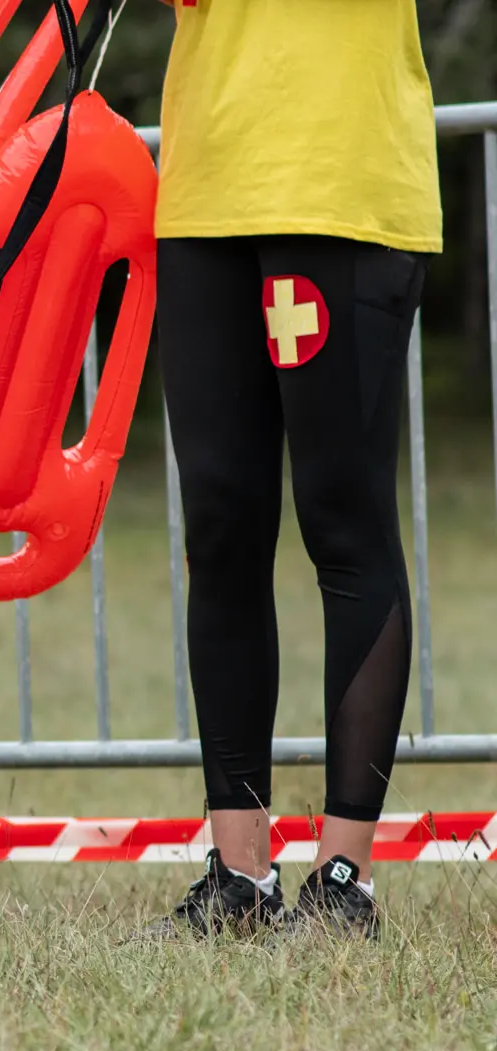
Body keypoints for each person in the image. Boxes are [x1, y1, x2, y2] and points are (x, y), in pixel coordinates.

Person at [150, 0, 440, 938]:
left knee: (342, 519)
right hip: (207, 183)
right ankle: (239, 878)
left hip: (338, 174)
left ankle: (343, 881)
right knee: (222, 528)